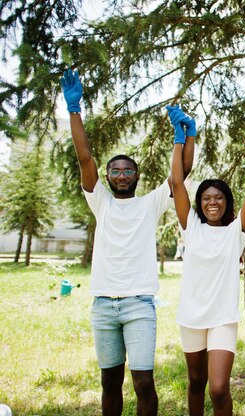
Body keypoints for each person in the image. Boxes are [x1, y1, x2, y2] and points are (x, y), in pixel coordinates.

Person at [60, 69, 194, 416]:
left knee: (143, 383)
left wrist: (183, 138)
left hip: (139, 306)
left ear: (137, 176)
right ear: (107, 177)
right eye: (115, 171)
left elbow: (180, 177)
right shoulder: (100, 201)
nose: (121, 175)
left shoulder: (149, 204)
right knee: (109, 382)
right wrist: (75, 110)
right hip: (103, 305)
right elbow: (84, 158)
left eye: (128, 171)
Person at [169, 116, 245, 415]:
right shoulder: (191, 227)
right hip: (191, 317)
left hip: (222, 318)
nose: (212, 202)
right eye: (207, 198)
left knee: (219, 386)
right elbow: (176, 183)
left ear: (226, 202)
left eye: (219, 198)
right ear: (200, 203)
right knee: (196, 381)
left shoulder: (236, 232)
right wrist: (180, 139)